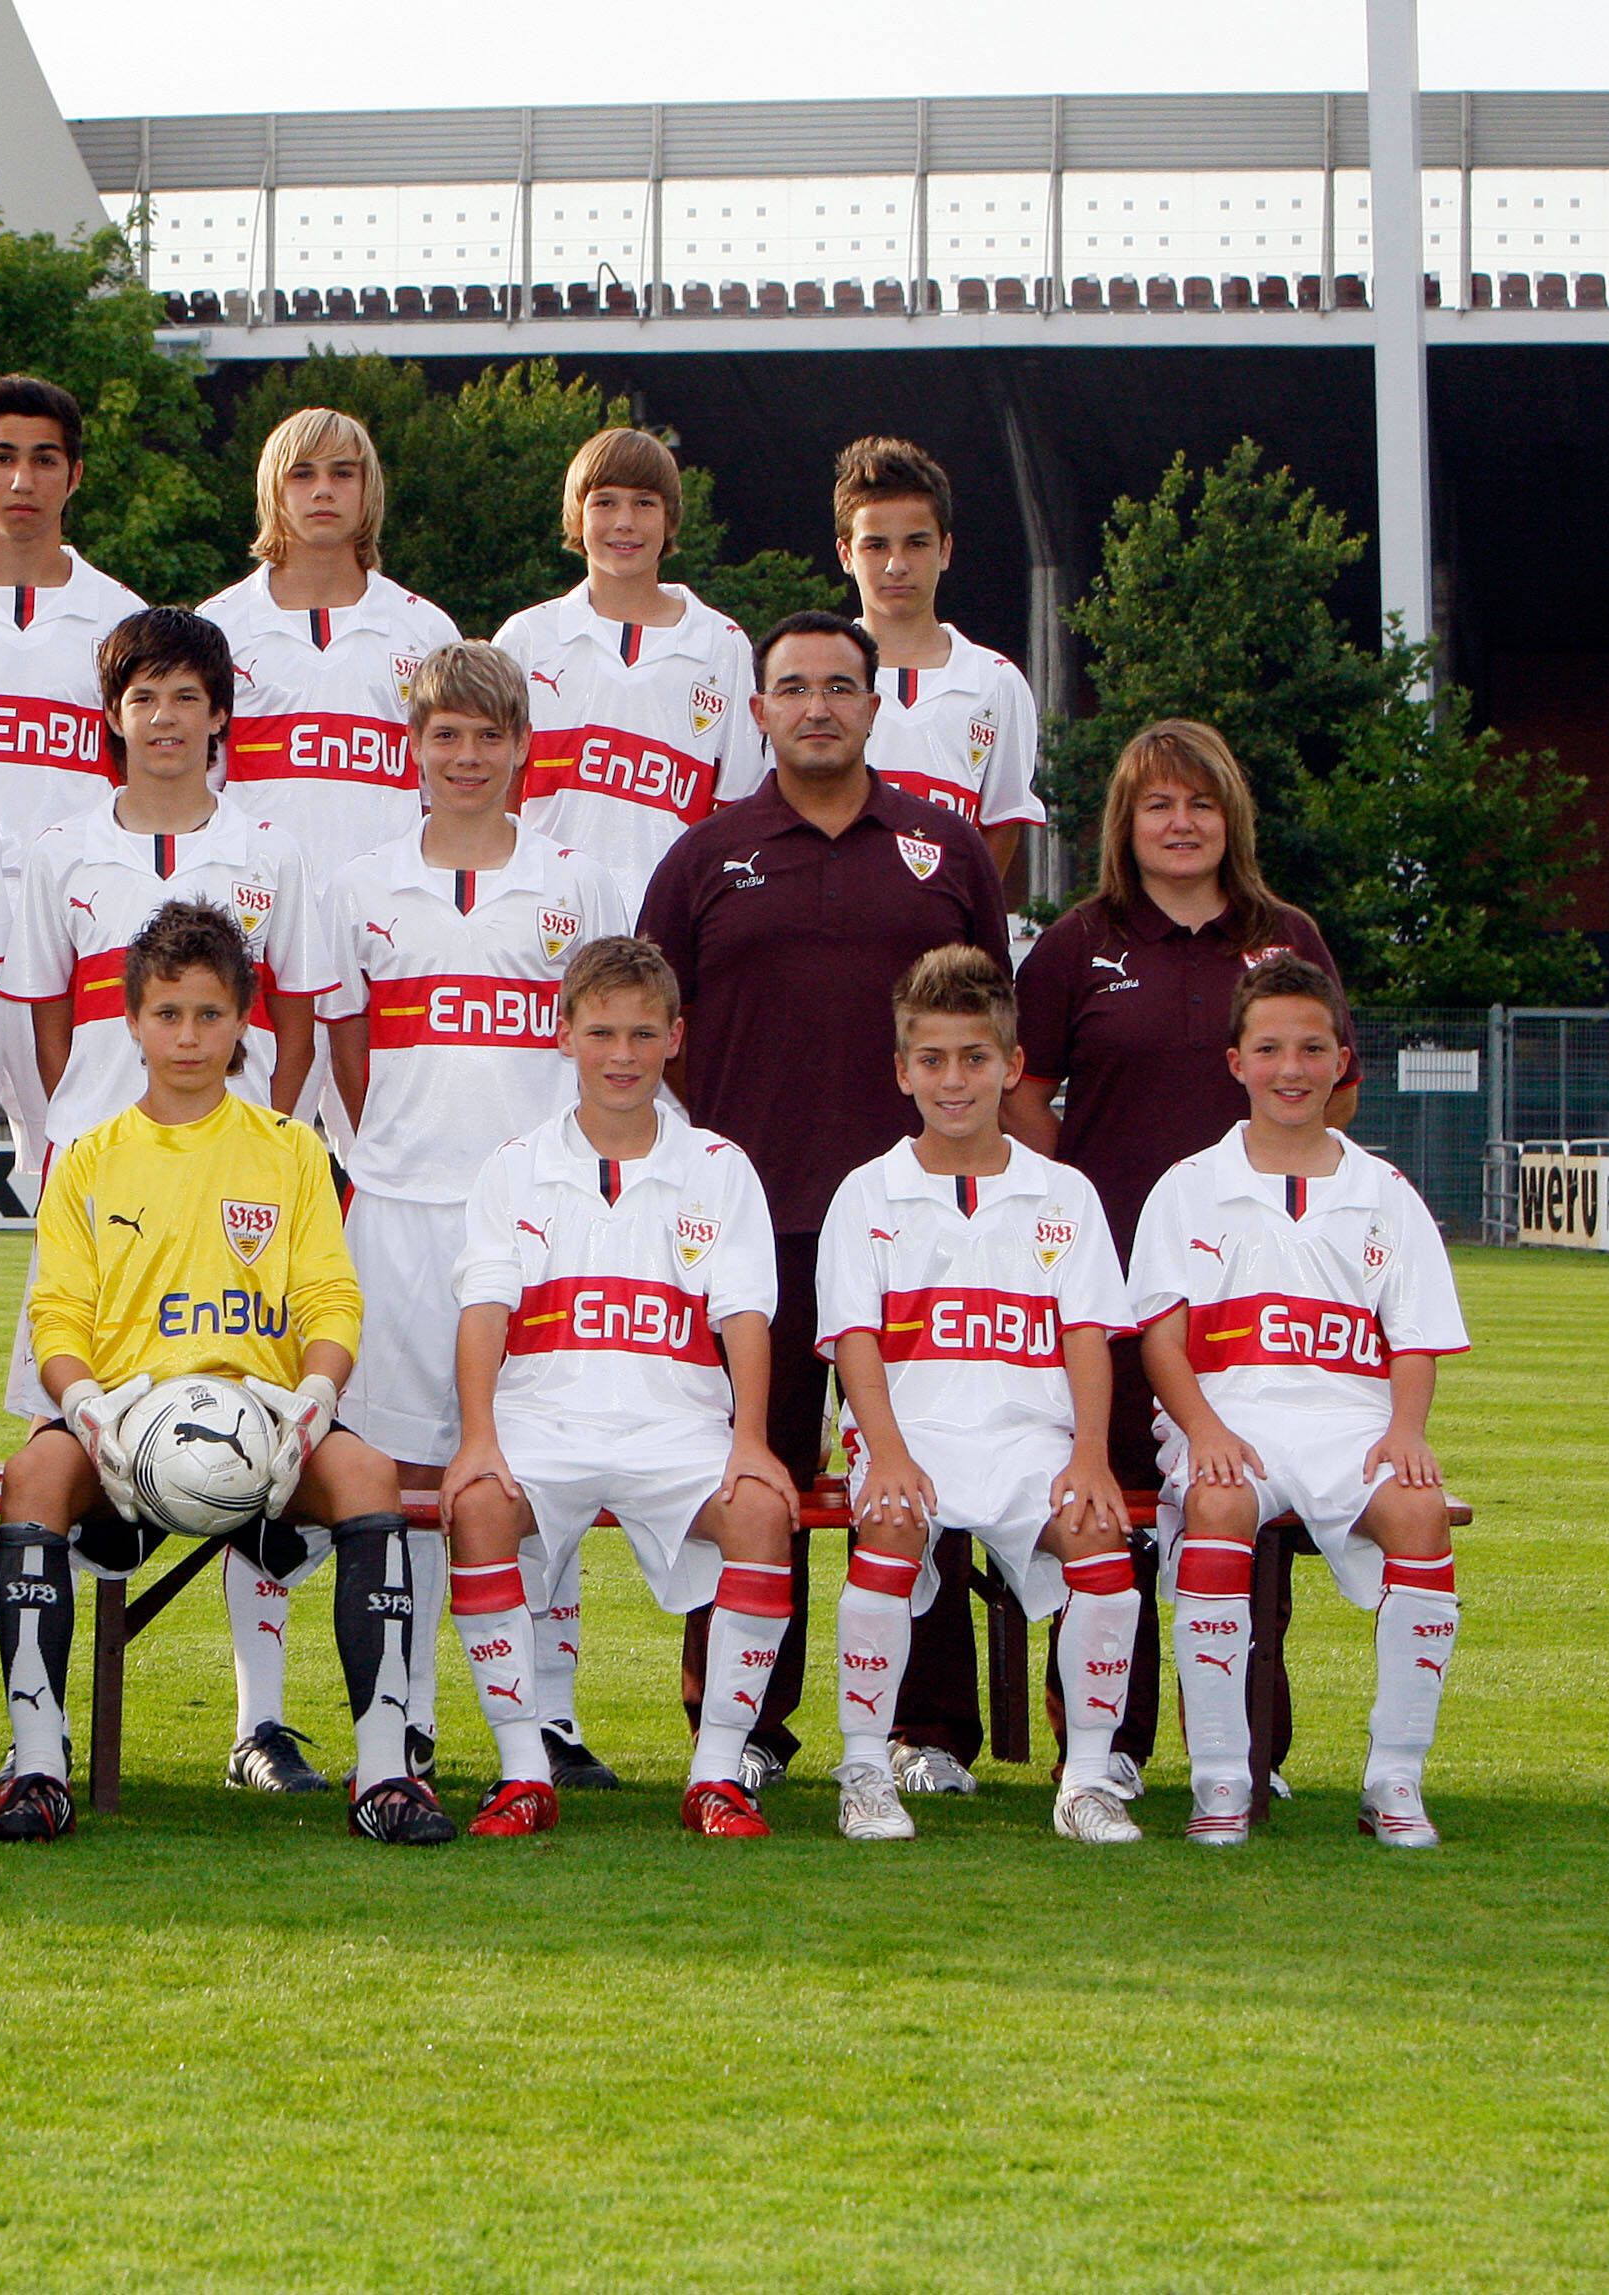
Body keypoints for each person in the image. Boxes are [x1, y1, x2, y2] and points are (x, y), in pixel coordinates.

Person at [639, 609, 1009, 1797]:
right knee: (758, 1466)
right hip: (759, 1217)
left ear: (875, 703)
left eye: (839, 686)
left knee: (925, 1459)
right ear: (756, 711)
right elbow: (662, 1039)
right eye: (792, 686)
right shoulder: (704, 857)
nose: (816, 706)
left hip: (927, 1219)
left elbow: (987, 1027)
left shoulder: (943, 848)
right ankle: (743, 1721)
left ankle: (931, 1728)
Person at [0, 902, 447, 1846]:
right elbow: (56, 1317)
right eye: (167, 1014)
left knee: (368, 1475)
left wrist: (315, 1402)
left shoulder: (288, 1149)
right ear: (130, 1020)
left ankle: (383, 1771)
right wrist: (84, 1409)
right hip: (120, 1420)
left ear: (244, 1018)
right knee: (33, 1474)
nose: (188, 1036)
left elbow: (330, 1300)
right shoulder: (86, 1160)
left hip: (267, 1419)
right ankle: (37, 1764)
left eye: (208, 1013)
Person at [0, 607, 337, 1794]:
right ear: (114, 715)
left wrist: (267, 1139)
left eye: (188, 698)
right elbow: (47, 1025)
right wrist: (92, 1131)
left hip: (241, 1173)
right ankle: (36, 1730)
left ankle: (261, 1722)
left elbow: (295, 1017)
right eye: (145, 698)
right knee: (84, 1445)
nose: (166, 719)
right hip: (106, 1180)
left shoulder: (272, 850)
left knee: (257, 1427)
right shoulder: (56, 850)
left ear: (220, 716)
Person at [1012, 720, 1359, 1805]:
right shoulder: (1079, 941)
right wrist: (1079, 1201)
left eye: (1199, 804)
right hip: (1110, 1270)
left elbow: (1337, 1082)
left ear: (1230, 818)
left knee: (1245, 1495)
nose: (1180, 823)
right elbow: (1026, 1090)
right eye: (1158, 805)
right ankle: (1105, 1738)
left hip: (1252, 1278)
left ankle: (1251, 1742)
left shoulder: (1283, 933)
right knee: (1109, 1501)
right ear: (1127, 822)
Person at [317, 639, 613, 1787]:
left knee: (536, 1458)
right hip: (396, 1211)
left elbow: (601, 1040)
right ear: (414, 748)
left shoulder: (576, 881)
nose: (468, 756)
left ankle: (547, 1716)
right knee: (399, 1468)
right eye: (447, 735)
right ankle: (409, 1715)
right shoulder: (360, 885)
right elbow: (349, 1055)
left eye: (490, 736)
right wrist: (394, 1153)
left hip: (537, 1218)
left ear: (524, 749)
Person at [437, 936, 792, 1839]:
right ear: (563, 1036)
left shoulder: (718, 1165)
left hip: (676, 1425)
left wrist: (750, 1438)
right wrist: (478, 1436)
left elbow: (745, 1314)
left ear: (676, 1037)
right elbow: (482, 1312)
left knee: (756, 1510)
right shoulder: (513, 1165)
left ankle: (717, 1775)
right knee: (477, 1505)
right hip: (540, 1418)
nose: (622, 1055)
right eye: (601, 1032)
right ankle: (523, 1770)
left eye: (642, 1033)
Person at [1131, 957, 1468, 1849]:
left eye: (1311, 1048)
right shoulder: (1186, 1185)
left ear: (1341, 1061)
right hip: (1227, 1415)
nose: (1291, 1067)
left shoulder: (1384, 1193)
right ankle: (1217, 1781)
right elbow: (1162, 1339)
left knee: (1418, 1510)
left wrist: (1405, 1430)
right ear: (1234, 1060)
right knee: (1216, 1499)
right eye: (1270, 1046)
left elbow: (1416, 1336)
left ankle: (1393, 1781)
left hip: (1349, 1423)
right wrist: (1201, 1427)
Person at [815, 945, 1143, 1846]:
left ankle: (1084, 1779)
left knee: (1100, 1539)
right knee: (886, 1523)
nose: (952, 1079)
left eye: (973, 1058)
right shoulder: (864, 1192)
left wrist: (1087, 1454)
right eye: (931, 1059)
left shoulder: (1064, 1194)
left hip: (1029, 1436)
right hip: (907, 1428)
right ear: (901, 1069)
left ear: (1011, 1065)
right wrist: (883, 1449)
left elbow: (1085, 1336)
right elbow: (855, 1340)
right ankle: (866, 1768)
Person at [0, 375, 148, 1176]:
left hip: (73, 931)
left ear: (74, 475)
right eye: (2, 457)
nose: (21, 480)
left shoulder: (124, 620)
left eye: (44, 460)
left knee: (91, 1169)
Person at [729, 436, 1040, 881]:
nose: (896, 565)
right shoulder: (800, 678)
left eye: (916, 544)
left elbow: (1002, 823)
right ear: (845, 554)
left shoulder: (996, 682)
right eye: (876, 546)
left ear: (945, 550)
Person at [494, 427, 761, 923]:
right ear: (577, 514)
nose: (624, 523)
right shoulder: (527, 638)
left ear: (671, 517)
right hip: (538, 920)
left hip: (668, 925)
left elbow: (736, 809)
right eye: (604, 503)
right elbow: (497, 795)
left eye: (644, 504)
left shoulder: (722, 646)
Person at [202, 406, 464, 886]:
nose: (323, 490)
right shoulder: (218, 626)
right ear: (273, 492)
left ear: (368, 491)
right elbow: (198, 787)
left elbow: (445, 793)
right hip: (251, 900)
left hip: (392, 905)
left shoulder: (427, 630)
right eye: (302, 474)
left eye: (342, 473)